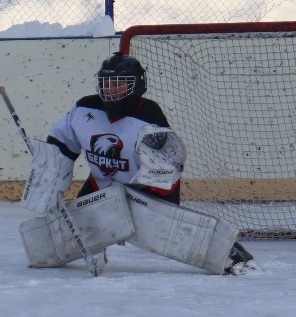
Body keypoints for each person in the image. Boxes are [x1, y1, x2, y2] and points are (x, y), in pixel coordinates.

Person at [18, 51, 255, 275]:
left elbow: (165, 173)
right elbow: (61, 145)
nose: (111, 90)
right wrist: (50, 177)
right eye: (106, 84)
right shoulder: (84, 109)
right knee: (57, 238)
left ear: (136, 85)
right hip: (102, 186)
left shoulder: (149, 117)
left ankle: (229, 255)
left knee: (173, 233)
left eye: (118, 84)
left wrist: (126, 208)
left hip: (143, 194)